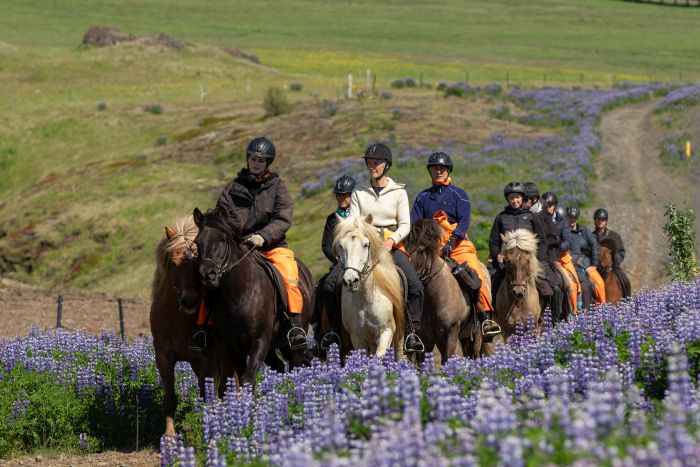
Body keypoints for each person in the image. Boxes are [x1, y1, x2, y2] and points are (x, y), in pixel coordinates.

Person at [188, 136, 307, 353]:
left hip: (272, 246)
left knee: (289, 275)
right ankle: (204, 328)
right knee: (209, 276)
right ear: (247, 159)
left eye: (261, 160)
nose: (256, 163)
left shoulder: (278, 187)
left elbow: (283, 218)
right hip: (239, 247)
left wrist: (263, 236)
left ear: (267, 163)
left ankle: (294, 327)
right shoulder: (232, 188)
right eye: (253, 158)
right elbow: (219, 215)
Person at [411, 152, 500, 336]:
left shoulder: (459, 194)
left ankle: (485, 318)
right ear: (430, 171)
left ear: (448, 171)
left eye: (442, 168)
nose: (438, 171)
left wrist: (452, 241)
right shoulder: (422, 197)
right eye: (435, 168)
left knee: (477, 274)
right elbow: (415, 223)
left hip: (458, 243)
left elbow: (464, 221)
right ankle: (410, 326)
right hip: (430, 247)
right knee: (410, 276)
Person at [349, 143, 425, 353]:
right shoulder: (358, 192)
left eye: (377, 163)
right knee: (332, 283)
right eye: (369, 163)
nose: (372, 166)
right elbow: (354, 222)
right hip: (364, 246)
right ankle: (334, 332)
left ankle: (412, 334)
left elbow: (405, 224)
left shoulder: (398, 192)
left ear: (386, 166)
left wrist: (392, 241)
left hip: (391, 245)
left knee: (415, 287)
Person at [488, 182, 548, 303]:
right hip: (506, 263)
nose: (515, 201)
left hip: (529, 262)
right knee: (491, 284)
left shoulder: (531, 216)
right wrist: (497, 255)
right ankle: (489, 318)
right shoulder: (501, 217)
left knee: (553, 288)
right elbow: (493, 241)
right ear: (507, 199)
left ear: (522, 198)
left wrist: (536, 258)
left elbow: (542, 240)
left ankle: (553, 318)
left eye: (517, 197)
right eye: (511, 198)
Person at [316, 175, 355, 348]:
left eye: (346, 195)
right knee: (326, 286)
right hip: (340, 261)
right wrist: (335, 256)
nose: (342, 198)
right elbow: (325, 244)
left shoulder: (358, 216)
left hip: (358, 261)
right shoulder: (332, 219)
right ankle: (328, 330)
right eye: (339, 195)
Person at [523, 183, 567, 321]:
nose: (521, 202)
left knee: (558, 288)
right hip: (521, 258)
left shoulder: (545, 216)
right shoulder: (520, 215)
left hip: (544, 258)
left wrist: (537, 246)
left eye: (525, 199)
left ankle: (555, 320)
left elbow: (554, 239)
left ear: (533, 200)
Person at [566, 206, 606, 309]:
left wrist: (594, 264)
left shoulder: (585, 230)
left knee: (600, 283)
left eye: (574, 217)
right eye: (570, 217)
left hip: (585, 264)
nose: (572, 219)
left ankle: (603, 309)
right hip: (568, 264)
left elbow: (594, 245)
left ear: (577, 218)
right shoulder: (563, 231)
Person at [593, 208, 632, 298]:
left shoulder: (614, 236)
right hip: (596, 269)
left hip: (612, 267)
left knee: (626, 281)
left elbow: (621, 251)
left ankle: (627, 302)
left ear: (606, 221)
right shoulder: (591, 236)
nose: (601, 222)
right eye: (599, 219)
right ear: (595, 220)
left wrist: (615, 261)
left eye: (603, 220)